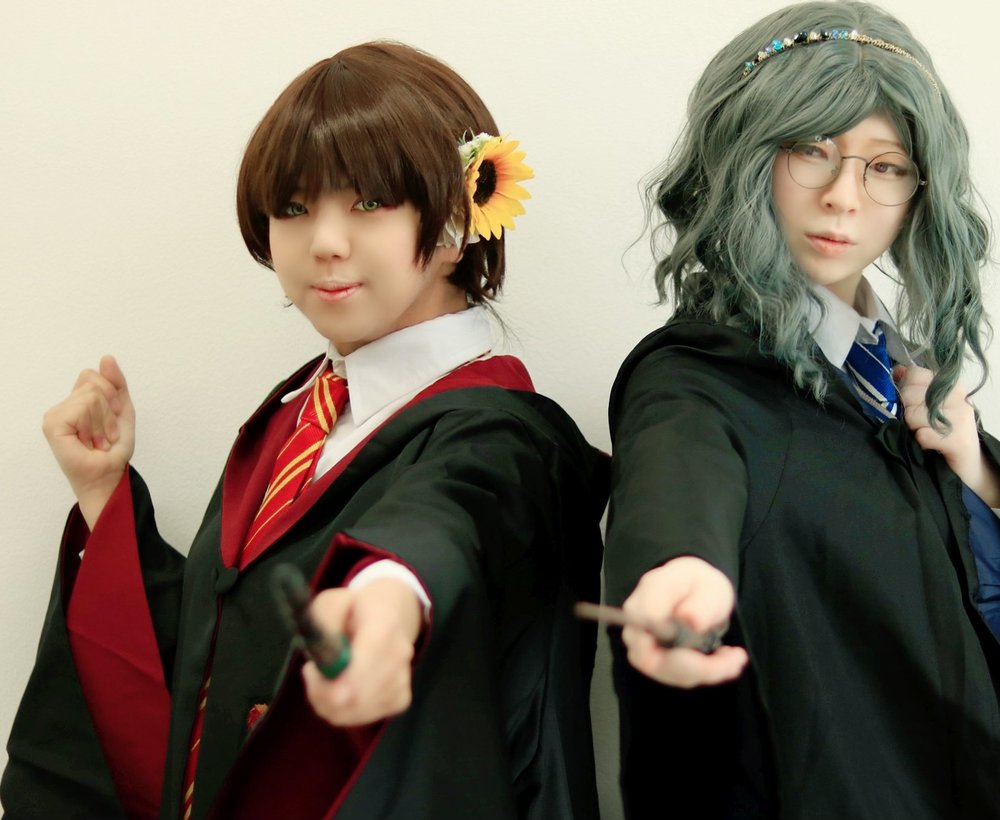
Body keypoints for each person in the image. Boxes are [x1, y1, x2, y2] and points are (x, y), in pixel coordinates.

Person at [2, 41, 606, 820]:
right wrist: (104, 496)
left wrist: (387, 595)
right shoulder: (298, 417)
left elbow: (445, 523)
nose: (323, 241)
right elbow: (228, 654)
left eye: (369, 201)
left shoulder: (509, 439)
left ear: (459, 219)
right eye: (293, 207)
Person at [603, 3, 1000, 818]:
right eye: (811, 149)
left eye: (886, 166)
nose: (844, 197)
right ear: (748, 155)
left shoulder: (909, 388)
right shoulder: (698, 379)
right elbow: (677, 484)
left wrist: (976, 469)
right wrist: (675, 574)